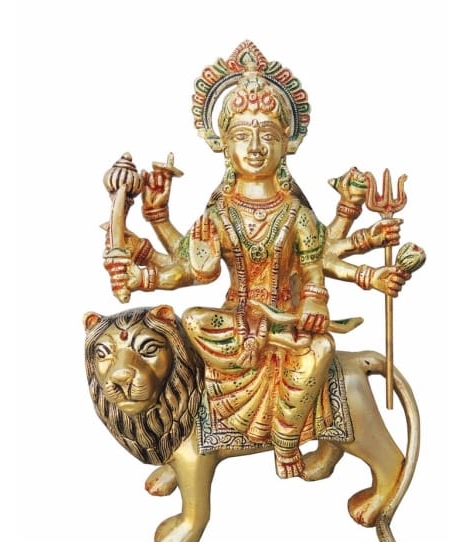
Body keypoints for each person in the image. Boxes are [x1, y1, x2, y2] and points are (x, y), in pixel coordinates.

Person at [104, 48, 408, 478]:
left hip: (288, 323)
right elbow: (192, 270)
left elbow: (313, 272)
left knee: (321, 349)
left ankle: (285, 438)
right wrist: (141, 276)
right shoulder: (220, 214)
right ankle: (184, 443)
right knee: (189, 323)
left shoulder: (296, 215)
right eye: (243, 135)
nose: (255, 147)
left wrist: (315, 304)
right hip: (237, 325)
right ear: (224, 145)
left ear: (286, 143)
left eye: (267, 134)